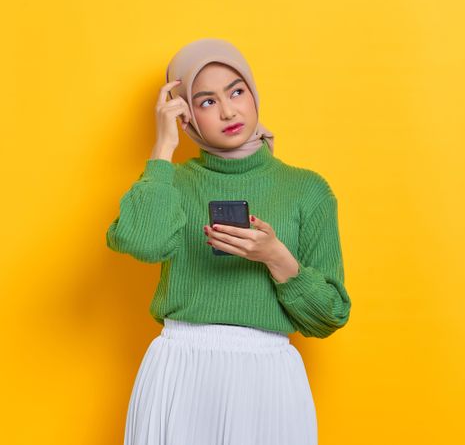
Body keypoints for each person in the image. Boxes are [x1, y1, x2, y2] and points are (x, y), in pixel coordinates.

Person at [106, 37, 352, 445]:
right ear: (185, 117)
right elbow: (141, 243)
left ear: (253, 92)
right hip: (180, 368)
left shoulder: (307, 190)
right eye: (205, 102)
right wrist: (163, 148)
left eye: (237, 91)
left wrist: (278, 260)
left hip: (268, 376)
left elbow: (329, 315)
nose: (228, 111)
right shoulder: (173, 180)